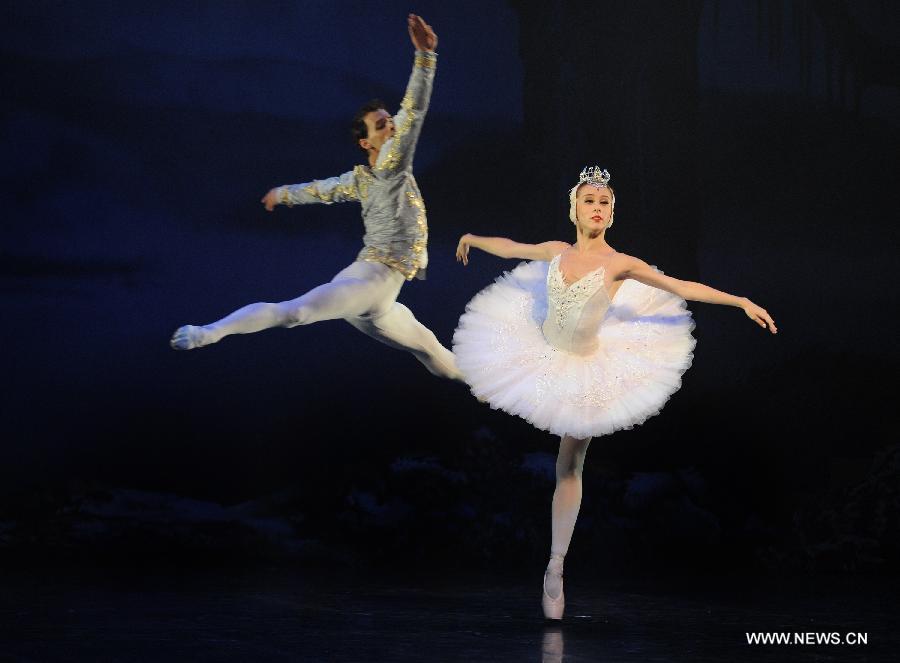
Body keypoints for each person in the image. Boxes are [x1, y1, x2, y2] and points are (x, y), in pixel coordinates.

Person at [453, 166, 777, 619]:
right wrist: (472, 237)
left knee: (569, 465)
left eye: (604, 202)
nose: (597, 208)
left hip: (587, 367)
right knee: (480, 372)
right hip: (540, 349)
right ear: (574, 209)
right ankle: (483, 387)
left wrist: (740, 301)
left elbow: (681, 286)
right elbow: (511, 247)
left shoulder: (620, 264)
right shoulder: (556, 250)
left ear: (612, 213)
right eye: (589, 200)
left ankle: (555, 566)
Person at [170, 15, 461, 382]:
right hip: (367, 284)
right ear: (366, 142)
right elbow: (414, 112)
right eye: (382, 124)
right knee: (296, 314)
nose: (392, 125)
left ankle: (493, 390)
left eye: (390, 120)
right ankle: (209, 332)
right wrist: (425, 58)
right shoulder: (389, 166)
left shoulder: (365, 179)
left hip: (380, 300)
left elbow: (321, 190)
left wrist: (282, 194)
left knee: (431, 350)